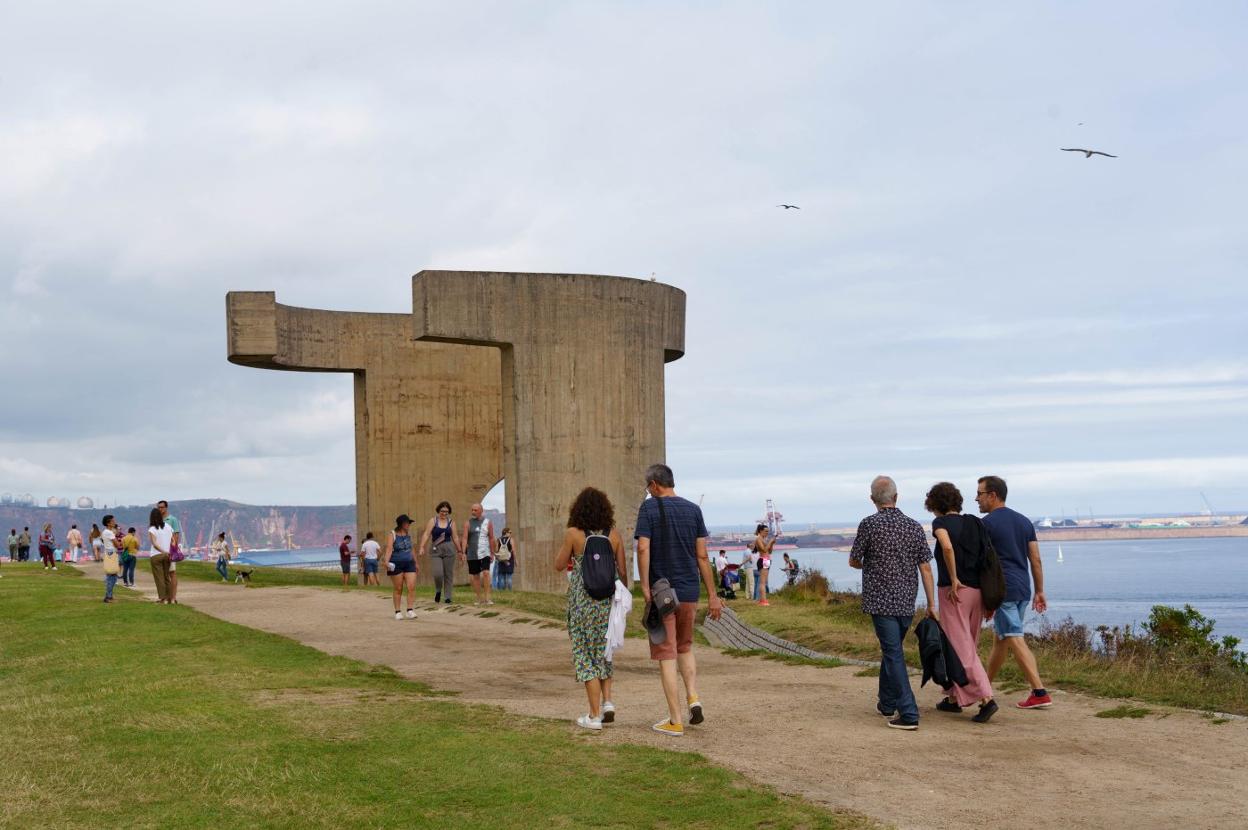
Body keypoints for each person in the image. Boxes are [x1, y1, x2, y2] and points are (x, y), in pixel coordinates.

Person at [635, 463, 722, 737]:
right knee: (685, 647)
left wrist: (646, 586)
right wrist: (712, 594)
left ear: (654, 485)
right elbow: (702, 557)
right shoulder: (693, 510)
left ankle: (674, 720)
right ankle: (693, 697)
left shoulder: (649, 508)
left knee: (666, 654)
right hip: (688, 591)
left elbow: (642, 546)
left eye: (648, 487)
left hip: (663, 593)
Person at [849, 475, 936, 731]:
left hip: (880, 600)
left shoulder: (869, 524)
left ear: (872, 499)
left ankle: (908, 712)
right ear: (896, 497)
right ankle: (886, 702)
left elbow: (854, 560)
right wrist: (932, 603)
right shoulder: (913, 526)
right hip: (907, 600)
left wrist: (871, 566)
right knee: (893, 649)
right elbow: (926, 568)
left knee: (893, 653)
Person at [976, 475, 1052, 709]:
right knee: (1002, 639)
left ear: (993, 495)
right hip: (1022, 587)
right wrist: (1039, 590)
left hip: (1002, 589)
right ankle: (985, 688)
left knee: (1014, 636)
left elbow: (982, 563)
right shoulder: (1024, 522)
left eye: (979, 494)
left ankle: (1039, 691)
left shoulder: (986, 524)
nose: (976, 499)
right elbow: (1035, 559)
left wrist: (985, 596)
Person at [555, 487, 628, 730]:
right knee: (603, 650)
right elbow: (623, 571)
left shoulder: (574, 534)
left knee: (584, 655)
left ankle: (594, 715)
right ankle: (607, 702)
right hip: (607, 602)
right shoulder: (614, 535)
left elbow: (558, 565)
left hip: (582, 603)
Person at [925, 482, 997, 723]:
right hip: (977, 591)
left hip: (954, 592)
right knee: (968, 645)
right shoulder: (975, 522)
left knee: (959, 648)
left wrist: (954, 577)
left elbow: (946, 546)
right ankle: (954, 698)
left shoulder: (940, 523)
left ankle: (986, 699)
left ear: (935, 504)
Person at [417, 501, 460, 604]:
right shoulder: (433, 521)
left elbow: (455, 537)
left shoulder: (451, 522)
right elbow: (427, 534)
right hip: (436, 549)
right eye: (442, 511)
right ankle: (438, 590)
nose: (444, 513)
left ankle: (448, 597)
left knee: (448, 574)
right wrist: (422, 547)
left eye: (446, 511)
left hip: (449, 549)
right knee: (438, 574)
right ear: (438, 510)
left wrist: (460, 551)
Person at [382, 515, 419, 620]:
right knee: (398, 588)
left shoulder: (408, 534)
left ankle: (410, 610)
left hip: (409, 563)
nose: (408, 525)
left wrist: (416, 562)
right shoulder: (392, 534)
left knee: (411, 587)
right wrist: (386, 562)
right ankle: (398, 611)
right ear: (401, 524)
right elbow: (389, 549)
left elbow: (412, 549)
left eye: (409, 523)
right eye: (407, 523)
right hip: (396, 563)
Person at [461, 503, 497, 606]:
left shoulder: (488, 522)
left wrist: (492, 552)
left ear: (481, 511)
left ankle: (488, 598)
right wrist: (463, 552)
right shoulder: (468, 523)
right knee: (475, 576)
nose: (473, 512)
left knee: (486, 573)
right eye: (472, 510)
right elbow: (464, 538)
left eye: (475, 510)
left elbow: (491, 537)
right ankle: (479, 598)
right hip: (472, 553)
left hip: (485, 552)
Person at [158, 501, 182, 603]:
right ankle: (164, 597)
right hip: (160, 550)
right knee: (163, 574)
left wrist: (174, 549)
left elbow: (176, 535)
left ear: (166, 508)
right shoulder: (157, 520)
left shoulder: (172, 519)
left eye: (162, 507)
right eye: (159, 507)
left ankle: (173, 597)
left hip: (169, 550)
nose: (160, 509)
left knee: (172, 573)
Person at [148, 508, 173, 604]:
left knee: (159, 578)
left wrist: (163, 551)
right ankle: (170, 597)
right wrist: (168, 552)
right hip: (168, 555)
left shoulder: (152, 529)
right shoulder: (168, 527)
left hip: (156, 555)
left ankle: (162, 598)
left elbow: (154, 544)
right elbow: (173, 541)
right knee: (167, 577)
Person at [100, 515, 121, 603]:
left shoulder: (104, 532)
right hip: (112, 553)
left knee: (111, 575)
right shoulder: (110, 532)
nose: (114, 522)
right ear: (108, 523)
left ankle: (110, 595)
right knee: (112, 576)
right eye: (112, 521)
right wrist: (120, 542)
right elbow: (117, 545)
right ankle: (108, 596)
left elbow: (102, 540)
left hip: (107, 552)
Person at [754, 524, 775, 606]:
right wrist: (770, 542)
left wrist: (772, 543)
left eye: (768, 532)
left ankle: (763, 599)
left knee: (764, 581)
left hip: (766, 559)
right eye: (766, 531)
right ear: (760, 531)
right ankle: (763, 600)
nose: (767, 533)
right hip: (763, 560)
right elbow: (763, 549)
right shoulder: (758, 539)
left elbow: (769, 551)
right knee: (762, 582)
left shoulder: (763, 539)